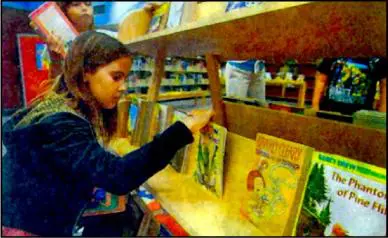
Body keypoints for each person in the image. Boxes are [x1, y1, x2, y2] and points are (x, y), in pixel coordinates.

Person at [2, 31, 214, 236]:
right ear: (86, 73)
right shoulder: (64, 123)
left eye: (125, 78)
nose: (123, 87)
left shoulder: (59, 106)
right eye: (116, 77)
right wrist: (184, 128)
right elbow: (117, 175)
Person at [312, 57, 386, 115]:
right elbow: (321, 79)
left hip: (362, 115)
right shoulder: (336, 51)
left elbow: (384, 87)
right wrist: (315, 106)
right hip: (331, 110)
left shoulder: (377, 58)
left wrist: (383, 115)